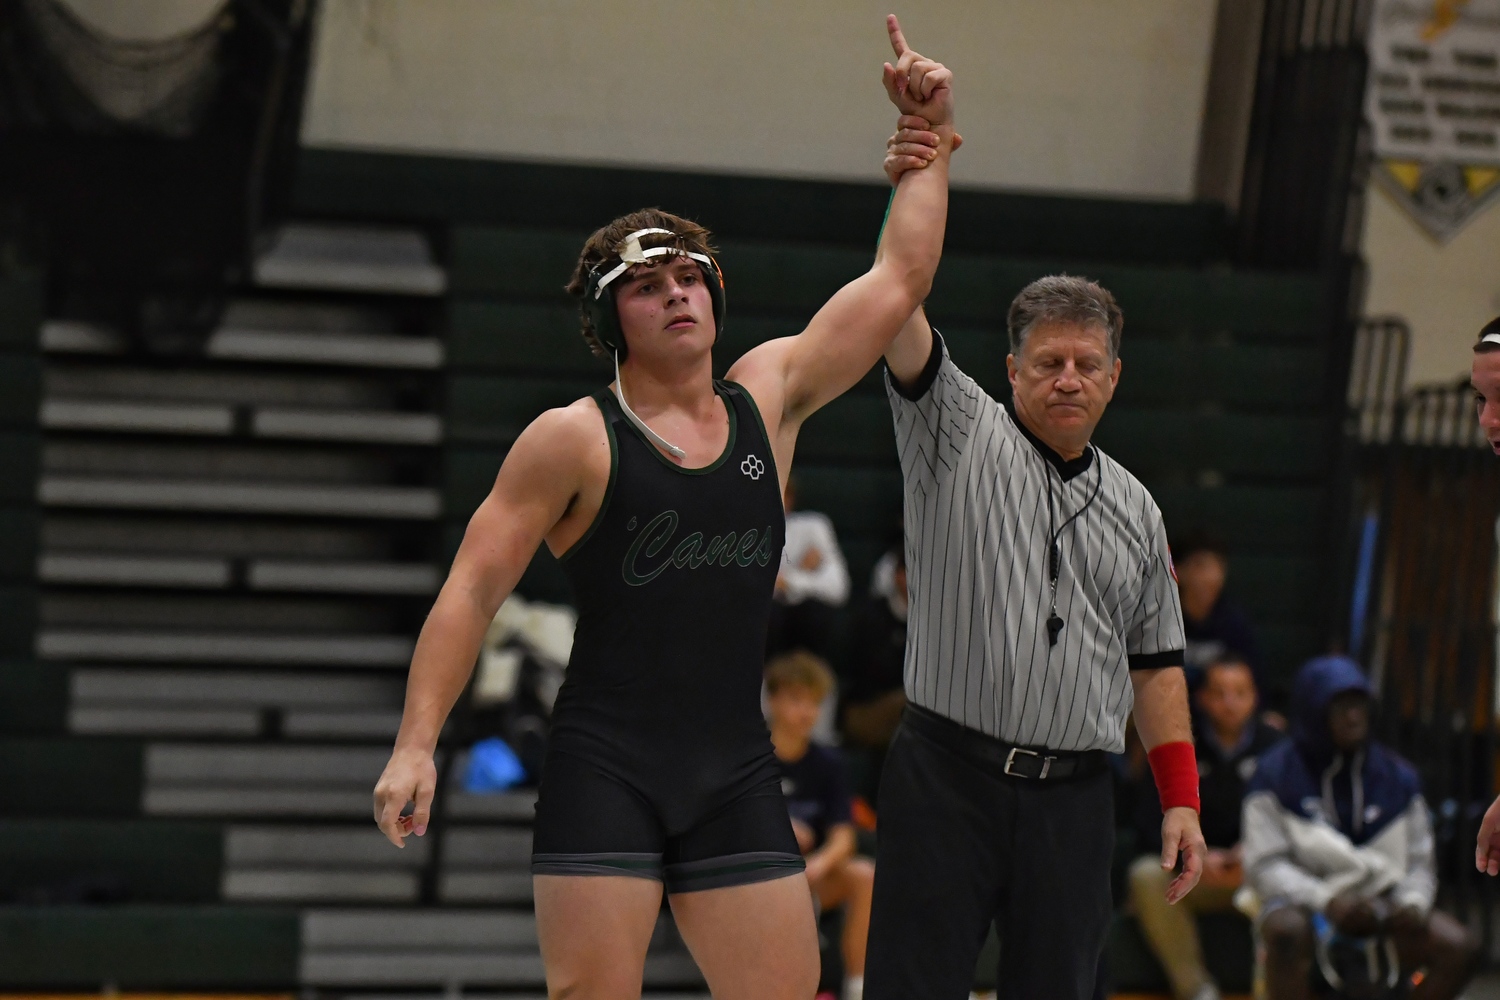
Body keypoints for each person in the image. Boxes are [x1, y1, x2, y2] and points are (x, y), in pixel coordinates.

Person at [370, 19, 956, 1000]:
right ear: (610, 322)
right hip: (607, 766)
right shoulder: (574, 438)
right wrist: (415, 743)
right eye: (647, 287)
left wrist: (929, 142)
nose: (678, 295)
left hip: (733, 768)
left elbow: (899, 281)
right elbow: (472, 587)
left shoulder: (768, 395)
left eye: (689, 277)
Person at [864, 130, 1206, 1000]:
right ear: (1011, 369)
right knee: (914, 984)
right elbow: (895, 301)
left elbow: (1157, 664)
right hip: (946, 777)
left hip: (1076, 798)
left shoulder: (1137, 507)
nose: (1067, 379)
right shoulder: (954, 428)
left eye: (1087, 365)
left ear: (1114, 379)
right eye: (1047, 362)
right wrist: (918, 171)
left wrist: (1181, 800)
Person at [1243, 655, 1478, 1000]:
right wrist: (1326, 900)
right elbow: (1265, 866)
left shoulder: (1399, 777)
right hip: (1308, 902)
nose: (1354, 717)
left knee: (1460, 945)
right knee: (1285, 931)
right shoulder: (1272, 775)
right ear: (1312, 713)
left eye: (1359, 705)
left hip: (1384, 902)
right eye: (1340, 707)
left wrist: (1412, 903)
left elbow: (1420, 863)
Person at [1129, 654, 1283, 1000]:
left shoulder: (1276, 747)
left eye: (1240, 693)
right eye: (1220, 693)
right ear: (1202, 698)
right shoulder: (1178, 743)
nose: (1230, 704)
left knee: (1299, 876)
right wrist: (1195, 858)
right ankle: (1197, 990)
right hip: (1196, 872)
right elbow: (1149, 822)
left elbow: (1295, 820)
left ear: (1255, 697)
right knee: (1145, 875)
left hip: (1257, 871)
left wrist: (1253, 853)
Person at [766, 651, 875, 1000]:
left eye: (815, 703)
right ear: (772, 700)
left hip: (808, 880)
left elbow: (843, 836)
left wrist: (819, 863)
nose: (807, 712)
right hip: (757, 877)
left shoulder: (828, 763)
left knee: (864, 875)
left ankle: (857, 988)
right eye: (797, 700)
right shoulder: (750, 759)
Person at [768, 475, 851, 661]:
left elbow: (838, 588)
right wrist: (802, 572)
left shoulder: (813, 526)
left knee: (814, 614)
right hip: (767, 629)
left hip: (806, 629)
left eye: (783, 493)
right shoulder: (745, 532)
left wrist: (788, 581)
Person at [1173, 530, 1265, 695]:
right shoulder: (1160, 620)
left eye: (1217, 567)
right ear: (1178, 570)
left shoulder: (1235, 624)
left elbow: (1255, 682)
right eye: (1200, 566)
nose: (1211, 577)